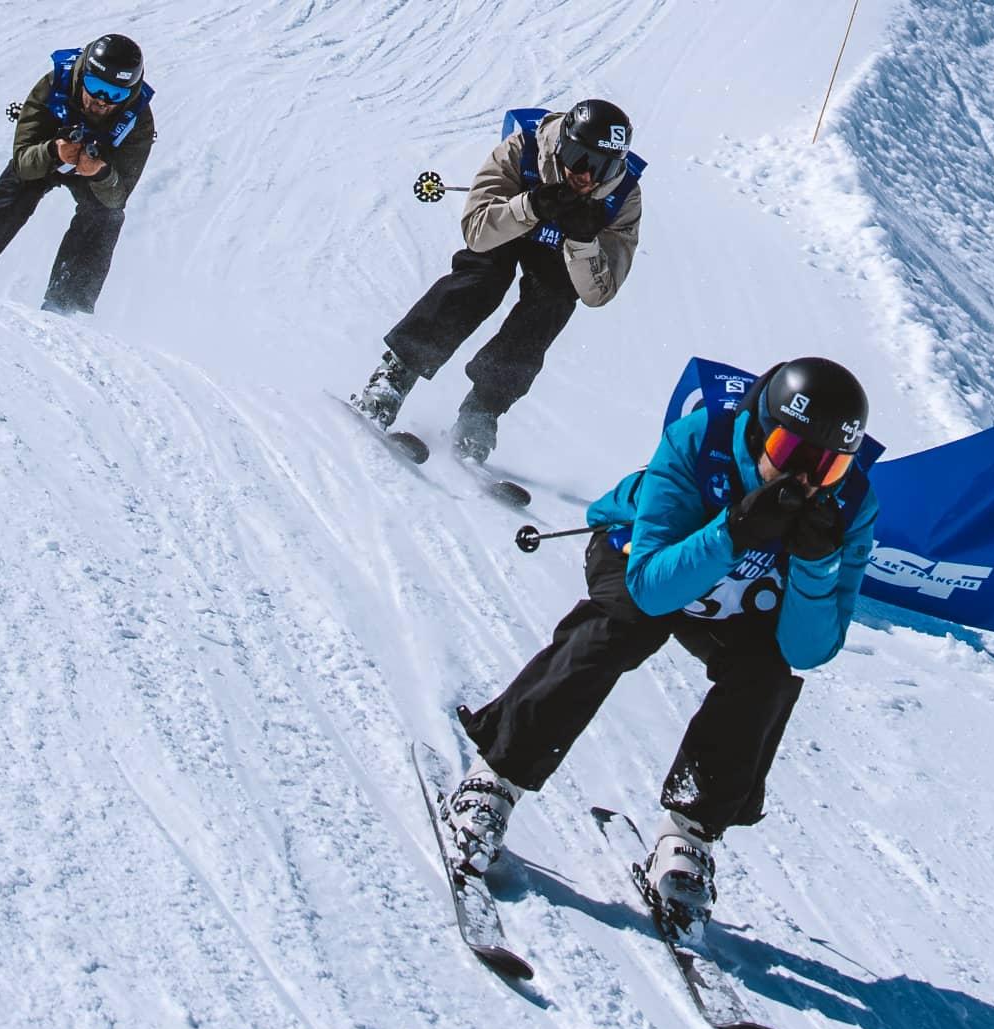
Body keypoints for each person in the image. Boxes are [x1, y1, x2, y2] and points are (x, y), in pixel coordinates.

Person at [442, 357, 880, 942]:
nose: (804, 477)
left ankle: (689, 837)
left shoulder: (850, 506)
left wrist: (816, 562)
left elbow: (808, 647)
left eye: (829, 467)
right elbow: (652, 587)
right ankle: (497, 775)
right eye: (790, 450)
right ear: (758, 428)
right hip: (644, 558)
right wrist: (733, 530)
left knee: (767, 675)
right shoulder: (702, 443)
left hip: (741, 597)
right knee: (619, 627)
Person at [353, 99, 643, 462]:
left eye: (603, 167)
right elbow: (476, 232)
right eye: (580, 158)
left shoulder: (623, 197)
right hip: (509, 227)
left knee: (551, 303)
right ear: (563, 144)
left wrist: (583, 242)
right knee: (481, 278)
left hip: (563, 251)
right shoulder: (523, 150)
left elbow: (599, 294)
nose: (586, 176)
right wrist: (531, 207)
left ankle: (482, 410)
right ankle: (395, 375)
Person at [0, 34, 156, 315]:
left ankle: (68, 304)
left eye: (116, 94)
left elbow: (118, 195)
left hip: (94, 171)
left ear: (130, 92)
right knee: (16, 187)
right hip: (49, 155)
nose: (101, 101)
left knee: (106, 215)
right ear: (83, 75)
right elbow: (23, 159)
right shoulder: (53, 86)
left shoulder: (139, 120)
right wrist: (52, 151)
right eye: (95, 87)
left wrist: (101, 173)